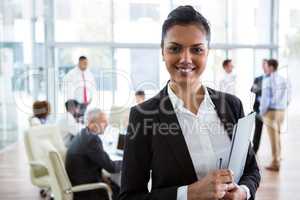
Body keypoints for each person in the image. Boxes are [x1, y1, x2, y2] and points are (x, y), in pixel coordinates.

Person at [120, 5, 260, 200]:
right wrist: (188, 194)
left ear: (207, 52)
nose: (186, 59)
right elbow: (129, 196)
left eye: (197, 49)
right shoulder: (143, 115)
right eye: (175, 48)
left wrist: (243, 193)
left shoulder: (232, 105)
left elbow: (252, 170)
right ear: (162, 52)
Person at [65, 108, 122, 200]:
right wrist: (128, 161)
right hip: (87, 191)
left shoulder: (82, 134)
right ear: (92, 123)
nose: (107, 124)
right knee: (123, 189)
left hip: (77, 183)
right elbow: (111, 167)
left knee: (116, 185)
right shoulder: (92, 140)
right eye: (103, 122)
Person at [260, 59, 291, 171]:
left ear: (271, 67)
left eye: (267, 66)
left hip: (271, 112)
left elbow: (265, 99)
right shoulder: (284, 79)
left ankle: (275, 163)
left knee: (273, 138)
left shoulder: (268, 80)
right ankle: (279, 156)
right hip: (282, 112)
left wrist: (262, 112)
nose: (265, 68)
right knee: (277, 135)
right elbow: (289, 96)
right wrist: (284, 106)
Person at [251, 59, 269, 154]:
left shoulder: (273, 79)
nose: (263, 66)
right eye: (262, 65)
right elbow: (253, 90)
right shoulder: (258, 79)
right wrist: (258, 87)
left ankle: (275, 153)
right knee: (258, 129)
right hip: (258, 108)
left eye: (265, 64)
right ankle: (255, 149)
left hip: (270, 110)